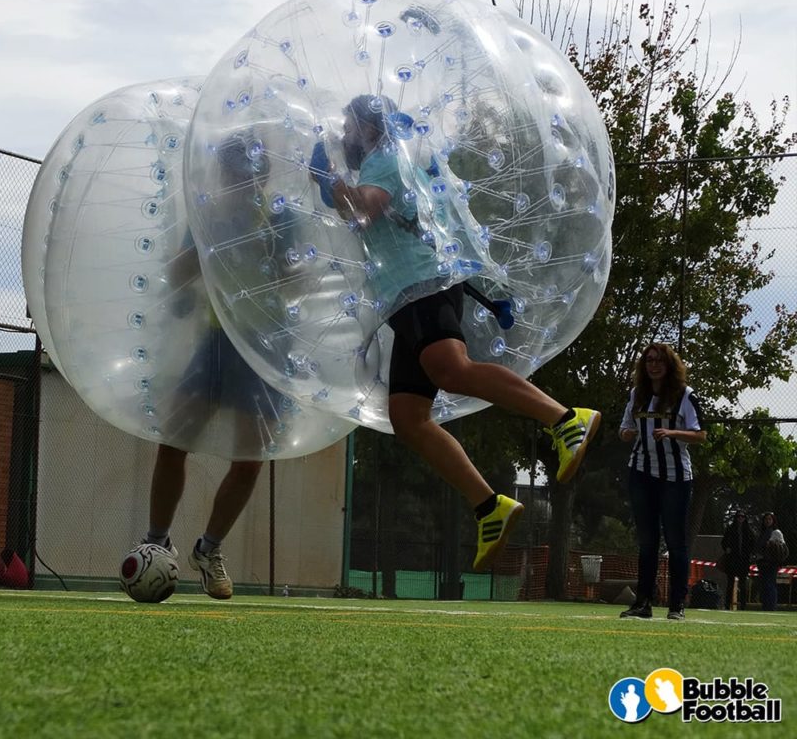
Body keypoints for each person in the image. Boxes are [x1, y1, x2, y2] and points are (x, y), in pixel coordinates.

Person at [311, 94, 601, 571]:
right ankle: (490, 507)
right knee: (408, 417)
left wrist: (332, 182)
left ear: (369, 128)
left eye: (349, 126)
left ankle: (566, 419)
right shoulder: (391, 160)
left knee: (449, 368)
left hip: (420, 283)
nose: (344, 136)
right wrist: (337, 188)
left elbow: (367, 209)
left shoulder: (385, 158)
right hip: (404, 297)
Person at [139, 133, 283, 600]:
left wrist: (271, 259)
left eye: (249, 173)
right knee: (174, 440)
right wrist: (209, 243)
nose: (241, 181)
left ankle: (209, 549)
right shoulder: (209, 218)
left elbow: (298, 279)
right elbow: (176, 275)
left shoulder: (282, 219)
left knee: (250, 457)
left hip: (263, 348)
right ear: (222, 175)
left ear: (263, 175)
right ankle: (156, 543)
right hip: (215, 342)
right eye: (232, 173)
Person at [618, 342, 706, 620]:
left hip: (675, 477)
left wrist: (671, 433)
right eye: (649, 361)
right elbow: (624, 429)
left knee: (676, 541)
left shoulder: (685, 396)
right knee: (647, 542)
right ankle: (642, 603)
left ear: (670, 366)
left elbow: (701, 434)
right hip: (641, 473)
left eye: (659, 361)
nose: (654, 365)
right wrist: (627, 434)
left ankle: (677, 605)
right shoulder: (637, 394)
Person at [720, 510, 755, 610]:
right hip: (732, 560)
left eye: (742, 517)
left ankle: (743, 605)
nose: (740, 519)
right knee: (730, 583)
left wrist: (749, 553)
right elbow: (724, 542)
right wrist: (726, 548)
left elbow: (753, 543)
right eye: (739, 517)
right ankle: (727, 605)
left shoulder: (748, 531)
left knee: (743, 584)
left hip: (744, 560)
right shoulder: (730, 529)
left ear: (745, 518)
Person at [754, 511, 787, 611]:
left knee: (770, 584)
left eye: (770, 519)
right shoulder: (762, 533)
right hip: (762, 562)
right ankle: (765, 606)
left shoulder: (776, 532)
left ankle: (771, 607)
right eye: (766, 519)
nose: (767, 521)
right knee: (764, 585)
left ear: (773, 520)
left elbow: (783, 549)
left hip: (772, 563)